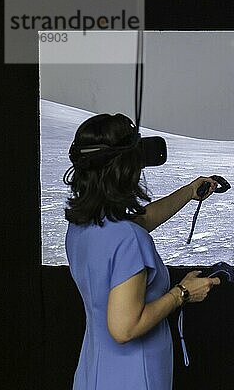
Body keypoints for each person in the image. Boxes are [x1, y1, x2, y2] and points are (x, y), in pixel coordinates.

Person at [63, 113, 221, 389]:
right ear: (127, 168)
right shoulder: (128, 239)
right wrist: (182, 293)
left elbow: (141, 220)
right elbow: (124, 328)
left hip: (94, 372)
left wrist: (188, 192)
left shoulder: (82, 226)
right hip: (134, 376)